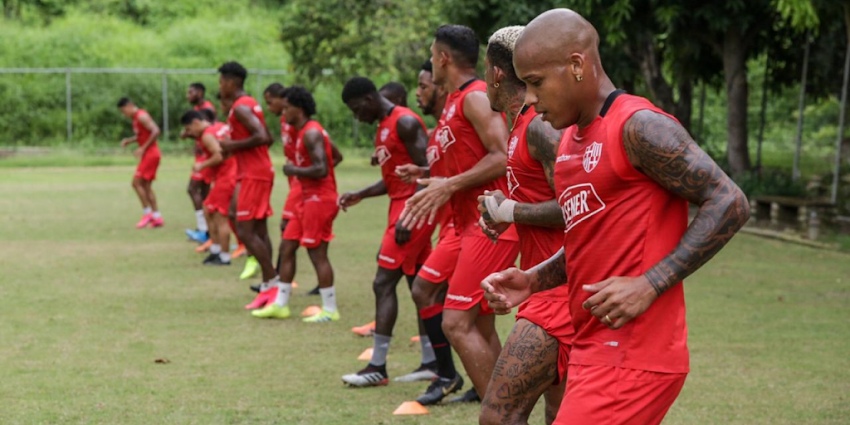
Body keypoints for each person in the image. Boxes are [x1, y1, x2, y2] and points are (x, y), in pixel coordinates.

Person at [482, 9, 750, 424]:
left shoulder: (639, 126)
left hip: (635, 356)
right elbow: (592, 240)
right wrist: (533, 279)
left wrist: (651, 282)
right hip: (594, 347)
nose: (530, 99)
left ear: (576, 65)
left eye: (536, 83)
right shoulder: (569, 140)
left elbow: (729, 201)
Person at [400, 24, 519, 404]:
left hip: (491, 225)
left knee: (455, 322)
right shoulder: (453, 101)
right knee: (480, 325)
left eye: (433, 55)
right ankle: (510, 407)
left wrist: (449, 185)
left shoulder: (476, 96)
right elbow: (466, 160)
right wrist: (429, 177)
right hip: (469, 225)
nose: (431, 62)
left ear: (443, 57)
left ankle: (499, 412)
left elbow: (502, 156)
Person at [474, 26, 572, 425]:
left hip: (558, 293)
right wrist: (504, 215)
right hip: (540, 282)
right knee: (559, 413)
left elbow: (575, 208)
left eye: (485, 70)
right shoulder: (519, 126)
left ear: (497, 74)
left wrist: (508, 212)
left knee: (497, 416)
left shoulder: (539, 126)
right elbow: (537, 202)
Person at [338, 76, 437, 386]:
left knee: (383, 282)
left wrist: (409, 216)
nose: (357, 117)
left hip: (413, 211)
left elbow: (431, 171)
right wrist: (362, 193)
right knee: (419, 286)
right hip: (401, 207)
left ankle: (377, 366)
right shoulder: (383, 126)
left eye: (356, 110)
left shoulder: (405, 122)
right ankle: (432, 361)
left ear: (369, 100)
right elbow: (395, 180)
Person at [394, 59, 467, 403]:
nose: (418, 92)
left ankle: (446, 373)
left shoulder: (468, 106)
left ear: (440, 85)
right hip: (450, 223)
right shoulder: (442, 124)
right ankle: (479, 384)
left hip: (464, 227)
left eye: (423, 86)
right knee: (470, 315)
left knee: (423, 289)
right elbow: (452, 172)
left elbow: (491, 160)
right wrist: (423, 171)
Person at [252, 86, 341, 323]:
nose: (284, 111)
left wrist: (295, 169)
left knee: (317, 253)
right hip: (305, 198)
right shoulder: (303, 131)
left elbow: (322, 169)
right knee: (287, 246)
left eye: (287, 107)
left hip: (319, 199)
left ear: (298, 109)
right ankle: (280, 304)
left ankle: (330, 309)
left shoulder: (311, 133)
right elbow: (335, 157)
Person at [216, 62, 278, 296]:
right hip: (256, 171)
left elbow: (262, 136)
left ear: (232, 83)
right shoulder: (248, 104)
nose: (220, 87)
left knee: (245, 230)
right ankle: (269, 284)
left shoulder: (241, 107)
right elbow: (268, 138)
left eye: (222, 82)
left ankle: (272, 281)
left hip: (254, 174)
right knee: (259, 229)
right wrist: (237, 149)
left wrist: (232, 145)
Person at [180, 110, 237, 265]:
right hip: (227, 175)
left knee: (220, 217)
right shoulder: (219, 126)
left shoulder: (206, 135)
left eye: (189, 129)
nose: (190, 133)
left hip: (226, 177)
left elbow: (218, 155)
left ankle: (224, 257)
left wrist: (202, 165)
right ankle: (215, 250)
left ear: (196, 123)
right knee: (208, 210)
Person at [118, 97, 163, 229]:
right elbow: (142, 135)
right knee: (146, 186)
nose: (123, 114)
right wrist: (130, 140)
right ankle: (157, 217)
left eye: (123, 110)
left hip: (151, 154)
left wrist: (143, 148)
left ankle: (147, 214)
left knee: (136, 183)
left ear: (130, 105)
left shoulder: (141, 116)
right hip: (149, 154)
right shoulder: (136, 118)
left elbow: (156, 131)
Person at [185, 82, 217, 244]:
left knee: (193, 189)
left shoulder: (207, 109)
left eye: (191, 92)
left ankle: (204, 229)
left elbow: (212, 129)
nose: (188, 95)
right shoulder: (197, 110)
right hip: (202, 155)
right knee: (204, 193)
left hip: (206, 157)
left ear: (200, 92)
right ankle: (208, 231)